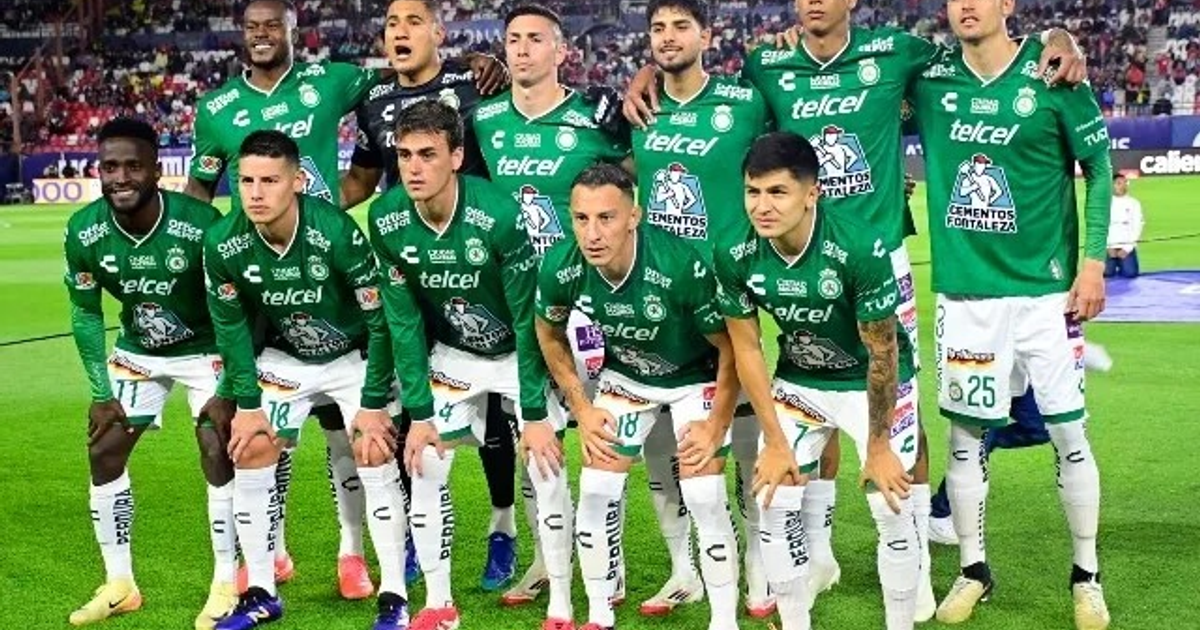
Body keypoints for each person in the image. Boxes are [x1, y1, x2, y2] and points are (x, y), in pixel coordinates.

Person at [624, 3, 1085, 617]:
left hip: (876, 257)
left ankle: (915, 562)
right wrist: (647, 74)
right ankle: (817, 555)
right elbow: (707, 91)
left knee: (901, 411)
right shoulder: (768, 63)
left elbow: (985, 51)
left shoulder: (895, 51)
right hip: (795, 253)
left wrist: (1058, 35)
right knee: (810, 384)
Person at [909, 0, 1113, 626]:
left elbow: (1099, 167)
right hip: (968, 296)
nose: (966, 5)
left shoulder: (1053, 74)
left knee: (1069, 433)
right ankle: (973, 569)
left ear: (1007, 6)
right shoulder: (930, 78)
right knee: (965, 440)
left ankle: (1086, 574)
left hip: (1045, 296)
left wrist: (1093, 262)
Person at [184, 0, 383, 599]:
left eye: (275, 25)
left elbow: (400, 87)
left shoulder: (331, 80)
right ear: (241, 35)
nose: (263, 35)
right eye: (253, 27)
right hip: (265, 292)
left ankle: (352, 554)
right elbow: (199, 192)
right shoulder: (216, 110)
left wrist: (336, 210)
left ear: (296, 32)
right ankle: (270, 552)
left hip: (326, 280)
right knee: (272, 427)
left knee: (340, 429)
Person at [367, 100, 573, 630]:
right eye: (405, 154)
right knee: (425, 460)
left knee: (544, 462)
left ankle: (561, 606)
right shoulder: (386, 218)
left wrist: (533, 411)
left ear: (456, 156)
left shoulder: (499, 215)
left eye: (428, 155)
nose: (413, 167)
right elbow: (404, 321)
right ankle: (438, 605)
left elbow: (530, 321)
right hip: (457, 353)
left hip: (517, 350)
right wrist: (417, 413)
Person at [341, 0, 520, 591]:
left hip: (477, 261)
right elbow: (365, 178)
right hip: (410, 263)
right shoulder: (372, 98)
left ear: (439, 33)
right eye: (391, 23)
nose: (400, 32)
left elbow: (527, 87)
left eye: (413, 22)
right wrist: (302, 210)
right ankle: (421, 541)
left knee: (494, 414)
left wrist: (490, 59)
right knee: (406, 404)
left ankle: (503, 527)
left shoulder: (475, 79)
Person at [203, 130, 411, 630]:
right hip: (286, 356)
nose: (255, 193)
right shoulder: (223, 242)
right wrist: (247, 404)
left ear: (296, 181)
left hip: (352, 356)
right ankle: (259, 592)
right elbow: (230, 326)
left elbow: (380, 321)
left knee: (373, 450)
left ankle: (394, 596)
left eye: (269, 181)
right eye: (246, 180)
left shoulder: (336, 232)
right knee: (249, 446)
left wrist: (373, 400)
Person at [715, 131, 922, 630]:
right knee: (774, 495)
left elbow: (883, 353)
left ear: (812, 193)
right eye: (753, 191)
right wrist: (776, 441)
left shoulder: (858, 245)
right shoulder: (734, 250)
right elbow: (747, 348)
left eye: (777, 192)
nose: (761, 206)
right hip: (802, 378)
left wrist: (877, 447)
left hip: (871, 382)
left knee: (889, 500)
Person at [471, 4, 633, 607]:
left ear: (561, 51)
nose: (521, 49)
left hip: (589, 307)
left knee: (599, 435)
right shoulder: (483, 118)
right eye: (512, 39)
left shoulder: (596, 116)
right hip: (521, 306)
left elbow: (640, 162)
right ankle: (545, 559)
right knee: (533, 438)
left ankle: (611, 570)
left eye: (535, 39)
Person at [537, 163, 741, 630]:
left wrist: (716, 424)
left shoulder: (679, 264)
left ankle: (724, 620)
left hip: (696, 378)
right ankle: (599, 615)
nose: (592, 233)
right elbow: (548, 334)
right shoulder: (562, 264)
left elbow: (730, 348)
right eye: (581, 218)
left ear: (635, 216)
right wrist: (582, 408)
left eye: (606, 218)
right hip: (626, 377)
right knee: (594, 490)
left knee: (704, 494)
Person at [628, 0, 773, 617]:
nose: (667, 38)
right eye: (657, 28)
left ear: (707, 36)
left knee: (741, 442)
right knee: (659, 441)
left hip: (730, 295)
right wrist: (638, 81)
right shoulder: (636, 110)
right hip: (658, 297)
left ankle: (760, 567)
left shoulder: (746, 103)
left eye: (680, 26)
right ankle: (683, 567)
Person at [63, 118, 238, 629]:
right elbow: (86, 312)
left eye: (132, 166)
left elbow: (235, 308)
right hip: (140, 349)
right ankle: (120, 584)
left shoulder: (200, 223)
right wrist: (100, 393)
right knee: (103, 447)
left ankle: (227, 581)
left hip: (207, 348)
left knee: (216, 441)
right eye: (110, 166)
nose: (120, 177)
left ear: (157, 171)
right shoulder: (85, 229)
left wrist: (229, 387)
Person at [1105, 172, 1143, 278]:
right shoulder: (1104, 203)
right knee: (1106, 273)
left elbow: (1137, 226)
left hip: (1126, 245)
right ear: (1111, 185)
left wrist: (1127, 248)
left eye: (1125, 183)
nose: (1123, 186)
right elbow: (1100, 227)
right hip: (1108, 246)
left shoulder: (1134, 203)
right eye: (1118, 183)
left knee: (1130, 274)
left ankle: (1122, 263)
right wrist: (1108, 247)